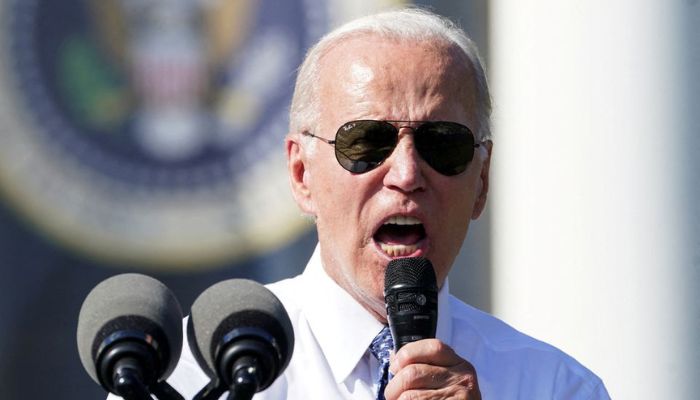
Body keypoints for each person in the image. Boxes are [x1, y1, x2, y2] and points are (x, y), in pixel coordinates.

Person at [110, 7, 610, 400]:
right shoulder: (188, 377)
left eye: (443, 144)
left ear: (481, 183)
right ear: (302, 174)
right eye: (367, 141)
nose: (408, 174)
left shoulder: (555, 387)